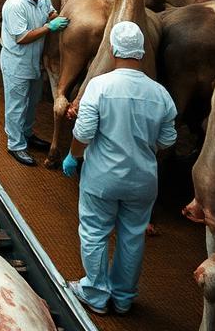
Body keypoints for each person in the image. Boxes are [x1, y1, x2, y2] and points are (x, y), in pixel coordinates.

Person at [63, 21, 177, 316]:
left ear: (113, 49)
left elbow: (84, 133)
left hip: (102, 177)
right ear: (141, 52)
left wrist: (73, 157)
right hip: (142, 181)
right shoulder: (160, 94)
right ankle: (124, 297)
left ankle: (96, 294)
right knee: (132, 236)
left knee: (95, 232)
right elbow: (167, 140)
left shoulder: (100, 86)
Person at [0, 0, 70, 166]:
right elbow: (22, 37)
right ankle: (16, 145)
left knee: (32, 102)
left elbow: (50, 12)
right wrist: (49, 28)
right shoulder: (15, 5)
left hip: (34, 62)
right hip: (17, 63)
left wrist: (60, 20)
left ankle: (28, 134)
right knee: (16, 105)